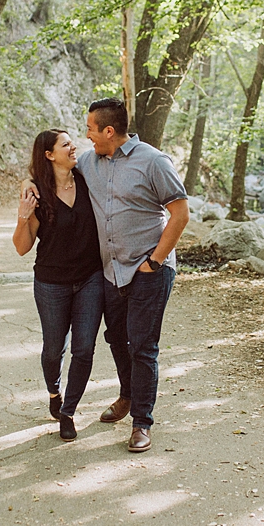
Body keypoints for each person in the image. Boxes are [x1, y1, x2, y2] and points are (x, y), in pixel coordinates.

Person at [24, 98, 189, 453]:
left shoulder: (154, 161)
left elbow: (180, 214)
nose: (85, 137)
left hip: (149, 268)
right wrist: (30, 186)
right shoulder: (87, 163)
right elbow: (51, 171)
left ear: (108, 131)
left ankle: (141, 423)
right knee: (117, 338)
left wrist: (156, 262)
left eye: (90, 130)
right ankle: (127, 395)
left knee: (143, 346)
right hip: (111, 272)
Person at [13, 129, 105, 441]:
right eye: (65, 144)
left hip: (91, 278)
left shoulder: (86, 178)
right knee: (54, 348)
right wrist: (23, 217)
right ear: (49, 155)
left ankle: (68, 411)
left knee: (84, 349)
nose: (73, 146)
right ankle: (54, 391)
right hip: (51, 283)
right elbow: (22, 247)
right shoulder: (37, 193)